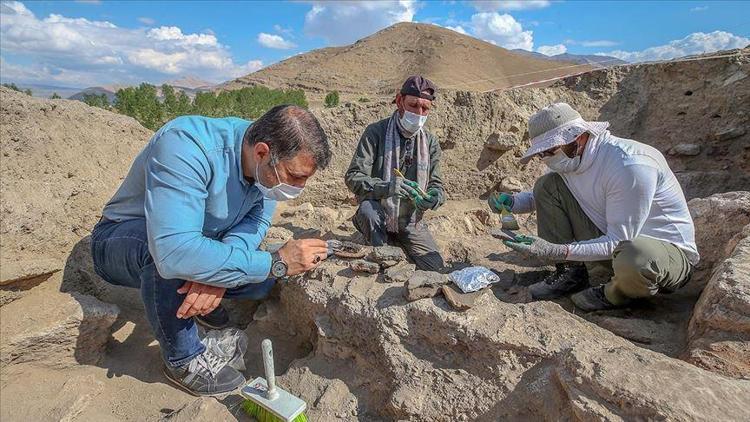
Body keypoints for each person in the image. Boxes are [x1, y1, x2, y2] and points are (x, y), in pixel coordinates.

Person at [90, 105, 332, 395]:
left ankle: (200, 300)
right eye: (294, 176)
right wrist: (275, 262)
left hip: (199, 242)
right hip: (124, 239)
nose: (299, 188)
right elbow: (173, 250)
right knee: (170, 260)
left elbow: (253, 223)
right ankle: (183, 359)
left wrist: (215, 276)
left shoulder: (264, 168)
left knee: (259, 281)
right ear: (262, 153)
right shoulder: (186, 145)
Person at [490, 102, 699, 311]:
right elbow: (545, 197)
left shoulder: (629, 165)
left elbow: (619, 240)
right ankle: (570, 275)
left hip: (662, 261)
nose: (544, 159)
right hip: (614, 247)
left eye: (549, 150)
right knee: (547, 185)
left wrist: (556, 250)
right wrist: (512, 203)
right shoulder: (572, 159)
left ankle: (616, 294)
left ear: (578, 137)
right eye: (540, 154)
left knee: (635, 256)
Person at [344, 76, 446, 271]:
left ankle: (397, 237)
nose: (419, 113)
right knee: (384, 255)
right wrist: (387, 187)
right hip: (377, 212)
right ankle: (377, 241)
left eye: (425, 109)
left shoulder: (430, 142)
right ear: (399, 101)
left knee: (435, 267)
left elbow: (436, 184)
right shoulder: (375, 132)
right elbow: (353, 176)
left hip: (410, 219)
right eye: (413, 105)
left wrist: (435, 197)